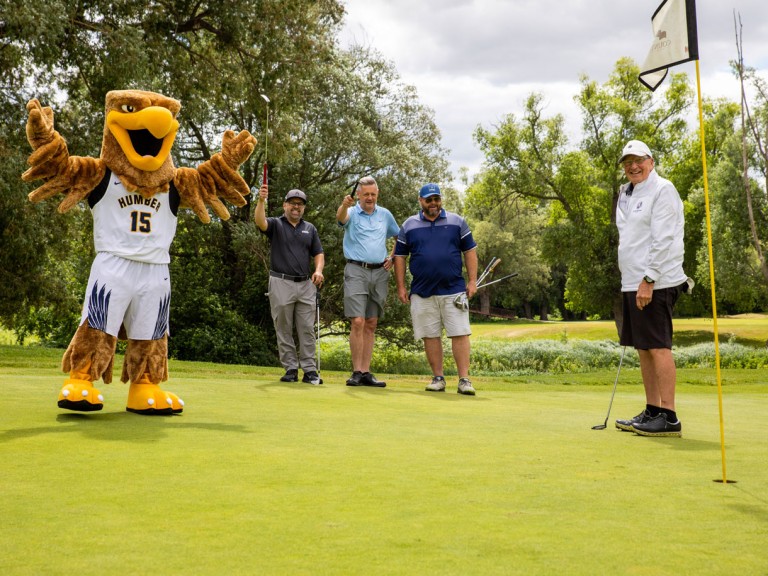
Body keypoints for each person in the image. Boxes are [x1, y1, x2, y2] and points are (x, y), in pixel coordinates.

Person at [614, 140, 689, 437]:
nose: (633, 165)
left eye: (639, 160)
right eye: (627, 161)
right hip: (632, 281)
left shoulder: (663, 190)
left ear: (651, 161)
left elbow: (664, 237)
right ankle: (652, 410)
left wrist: (649, 279)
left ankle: (669, 416)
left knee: (658, 347)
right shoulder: (627, 193)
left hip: (656, 282)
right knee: (644, 348)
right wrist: (635, 281)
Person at [394, 183, 478, 395]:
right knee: (430, 335)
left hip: (453, 288)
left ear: (440, 199)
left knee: (460, 333)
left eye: (436, 199)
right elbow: (400, 257)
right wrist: (401, 286)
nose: (433, 203)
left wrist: (472, 281)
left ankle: (464, 380)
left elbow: (469, 251)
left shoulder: (457, 222)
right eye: (429, 199)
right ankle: (438, 378)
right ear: (420, 201)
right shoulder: (409, 225)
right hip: (422, 291)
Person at [254, 185, 325, 385]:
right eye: (293, 203)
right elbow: (260, 221)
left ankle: (310, 370)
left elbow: (318, 253)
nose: (296, 207)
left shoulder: (309, 228)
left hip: (305, 284)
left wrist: (318, 270)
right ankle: (291, 368)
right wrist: (260, 201)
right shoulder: (276, 224)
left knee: (306, 329)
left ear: (303, 208)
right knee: (283, 328)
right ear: (285, 205)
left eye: (300, 204)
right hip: (280, 282)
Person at [336, 176, 400, 387]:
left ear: (377, 194)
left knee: (371, 322)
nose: (370, 198)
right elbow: (340, 218)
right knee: (358, 321)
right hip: (356, 270)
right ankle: (356, 371)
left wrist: (392, 256)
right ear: (358, 196)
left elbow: (399, 236)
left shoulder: (385, 215)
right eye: (366, 195)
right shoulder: (352, 212)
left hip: (379, 273)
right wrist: (344, 205)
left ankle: (365, 372)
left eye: (373, 194)